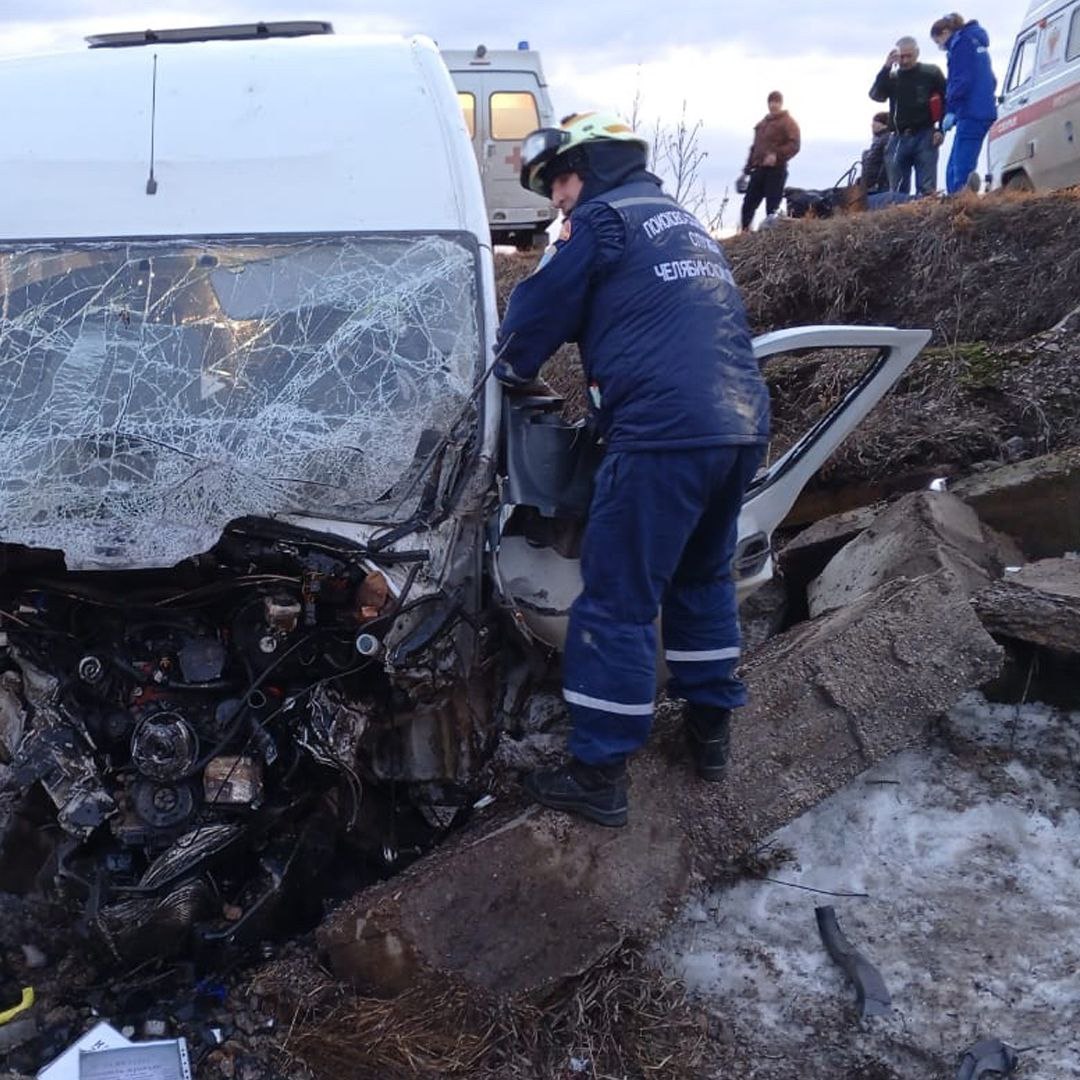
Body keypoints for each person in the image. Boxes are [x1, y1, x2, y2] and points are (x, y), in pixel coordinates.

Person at [496, 112, 770, 828]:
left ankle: (600, 771)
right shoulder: (682, 224)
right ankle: (710, 734)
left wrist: (508, 366)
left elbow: (536, 312)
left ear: (591, 163)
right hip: (739, 426)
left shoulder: (602, 221)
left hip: (660, 437)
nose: (555, 198)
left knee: (616, 600)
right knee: (702, 576)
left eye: (557, 179)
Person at [869, 36, 947, 195]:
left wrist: (941, 129)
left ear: (917, 53)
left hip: (925, 134)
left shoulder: (931, 73)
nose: (904, 61)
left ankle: (927, 216)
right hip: (898, 137)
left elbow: (946, 100)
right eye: (901, 57)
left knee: (927, 188)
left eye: (908, 56)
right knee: (897, 190)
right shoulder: (892, 77)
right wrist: (886, 67)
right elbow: (876, 95)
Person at [931, 13, 998, 194]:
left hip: (971, 111)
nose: (941, 47)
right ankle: (960, 194)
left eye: (938, 42)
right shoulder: (977, 42)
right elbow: (991, 81)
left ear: (945, 32)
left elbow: (960, 81)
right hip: (981, 109)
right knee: (955, 163)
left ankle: (962, 200)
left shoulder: (961, 44)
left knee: (959, 166)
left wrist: (951, 109)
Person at [738, 91, 801, 230]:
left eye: (776, 102)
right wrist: (745, 172)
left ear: (781, 104)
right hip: (758, 170)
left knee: (772, 209)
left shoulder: (788, 122)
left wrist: (777, 155)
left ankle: (770, 238)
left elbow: (795, 144)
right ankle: (745, 233)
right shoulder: (761, 125)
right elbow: (754, 148)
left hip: (776, 170)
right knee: (748, 204)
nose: (773, 105)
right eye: (771, 102)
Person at [861, 112, 893, 195]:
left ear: (884, 125)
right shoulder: (881, 140)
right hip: (877, 183)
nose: (872, 125)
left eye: (876, 122)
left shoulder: (883, 140)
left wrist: (866, 181)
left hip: (878, 185)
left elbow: (873, 164)